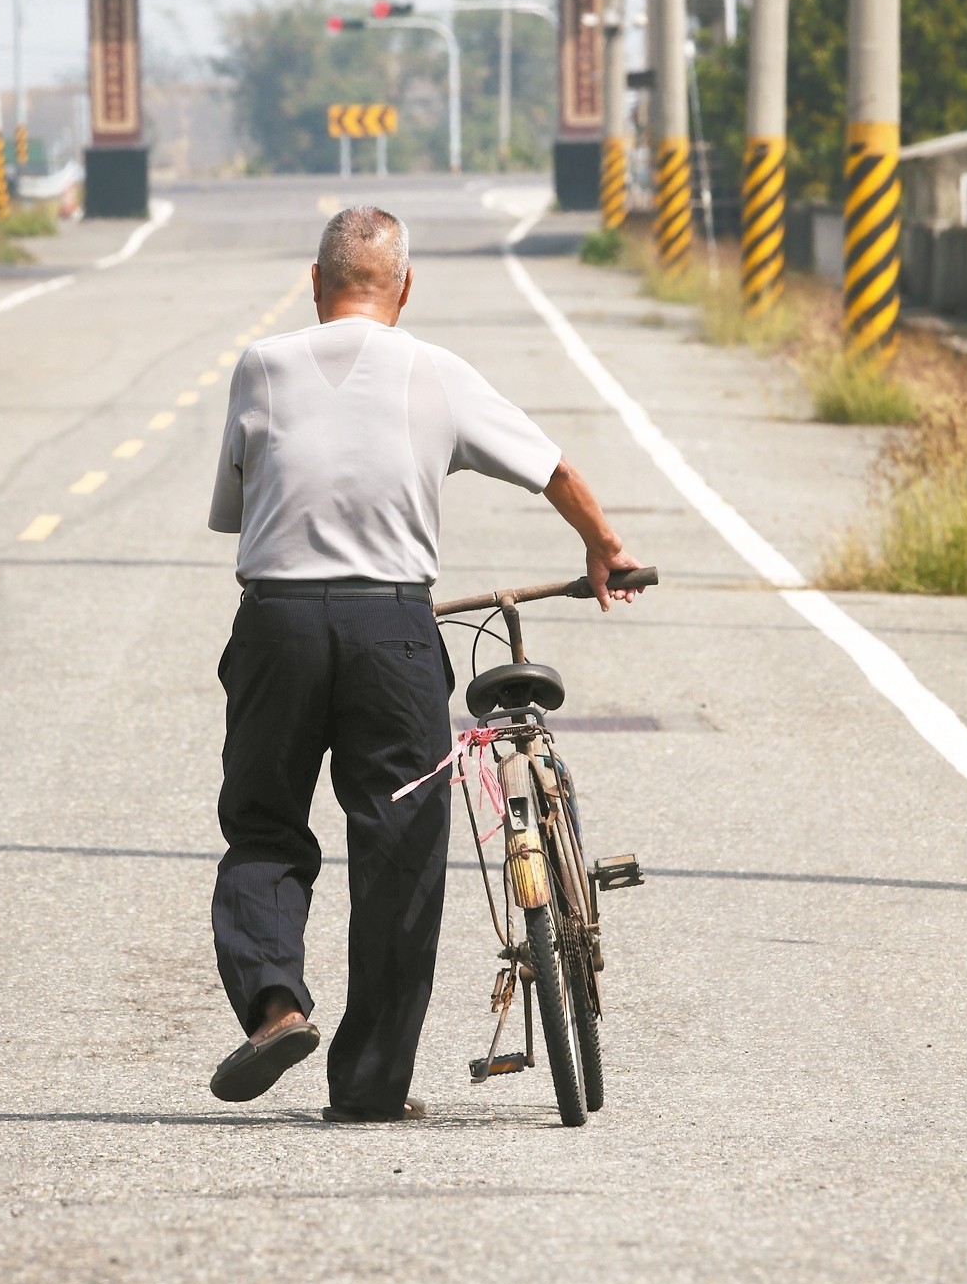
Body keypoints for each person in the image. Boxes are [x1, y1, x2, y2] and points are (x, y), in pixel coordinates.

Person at [206, 205, 641, 1122]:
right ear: (403, 290)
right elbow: (550, 464)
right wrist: (602, 544)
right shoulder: (436, 371)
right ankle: (367, 1091)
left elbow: (237, 508)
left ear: (314, 285)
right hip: (393, 632)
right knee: (400, 854)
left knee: (264, 826)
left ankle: (275, 1004)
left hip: (277, 622)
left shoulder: (261, 364)